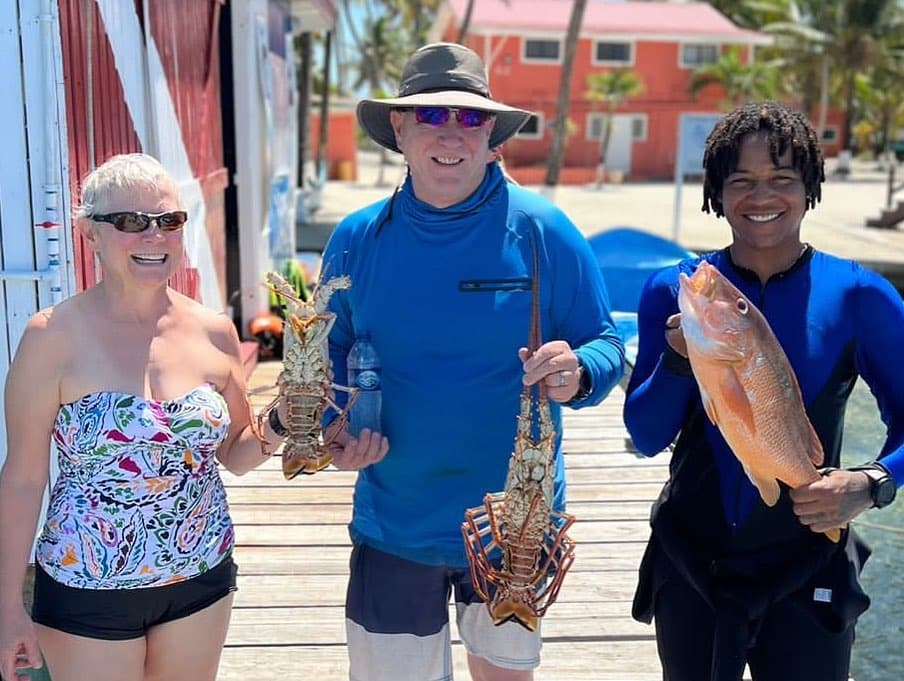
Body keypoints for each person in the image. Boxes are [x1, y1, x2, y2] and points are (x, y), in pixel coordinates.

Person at [318, 42, 625, 681]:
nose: (450, 134)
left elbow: (606, 343)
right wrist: (332, 430)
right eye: (430, 117)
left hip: (516, 522)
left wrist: (580, 371)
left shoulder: (544, 230)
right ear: (397, 130)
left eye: (469, 117)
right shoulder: (355, 240)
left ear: (493, 134)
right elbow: (331, 356)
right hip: (394, 518)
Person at [623, 101, 904, 681]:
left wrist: (872, 483)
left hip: (808, 562)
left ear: (809, 188)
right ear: (716, 192)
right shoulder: (677, 292)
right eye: (741, 181)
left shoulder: (859, 296)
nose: (762, 197)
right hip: (691, 561)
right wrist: (678, 362)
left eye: (782, 179)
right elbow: (647, 436)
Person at [0, 154, 288, 681]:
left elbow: (238, 455)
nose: (154, 237)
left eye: (169, 221)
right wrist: (5, 607)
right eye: (132, 223)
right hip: (87, 584)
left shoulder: (214, 331)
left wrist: (282, 421)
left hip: (200, 575)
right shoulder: (50, 338)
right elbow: (22, 478)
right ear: (90, 234)